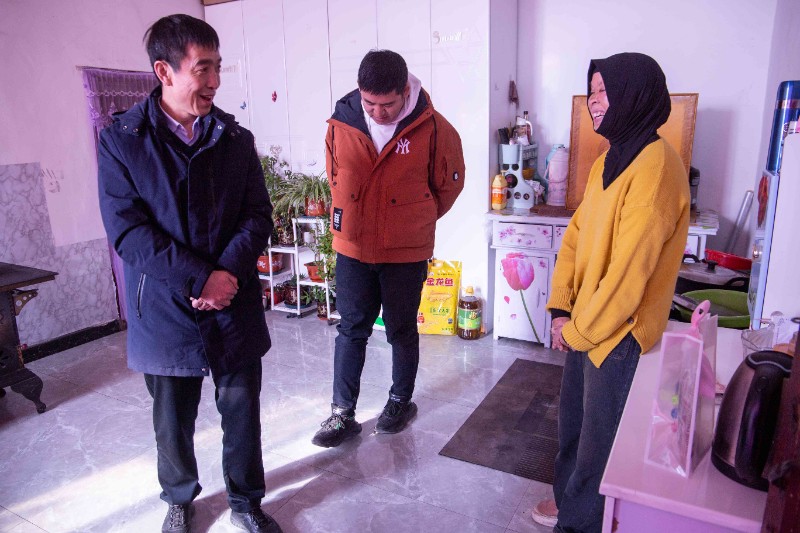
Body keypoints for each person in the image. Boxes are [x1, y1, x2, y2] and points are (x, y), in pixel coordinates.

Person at [97, 14, 281, 533]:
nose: (215, 81)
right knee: (172, 419)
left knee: (241, 412)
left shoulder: (234, 138)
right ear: (165, 71)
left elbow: (257, 215)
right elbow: (128, 231)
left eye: (218, 67)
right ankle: (179, 498)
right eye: (203, 69)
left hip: (232, 298)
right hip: (164, 304)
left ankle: (246, 500)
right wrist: (199, 279)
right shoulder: (123, 141)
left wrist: (225, 275)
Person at [531, 53, 690, 533]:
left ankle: (579, 524)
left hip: (619, 335)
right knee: (573, 431)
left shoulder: (657, 168)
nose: (593, 102)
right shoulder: (609, 161)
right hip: (587, 322)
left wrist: (578, 330)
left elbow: (627, 274)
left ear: (634, 95)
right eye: (592, 91)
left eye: (604, 91)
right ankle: (572, 505)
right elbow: (576, 237)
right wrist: (561, 309)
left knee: (599, 448)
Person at [311, 49, 465, 448]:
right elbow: (334, 175)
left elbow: (447, 185)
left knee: (400, 328)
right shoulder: (342, 122)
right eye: (370, 104)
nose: (378, 113)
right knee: (351, 329)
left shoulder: (433, 127)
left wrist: (413, 219)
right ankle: (342, 413)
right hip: (353, 246)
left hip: (404, 251)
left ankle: (400, 401)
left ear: (405, 91)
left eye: (387, 105)